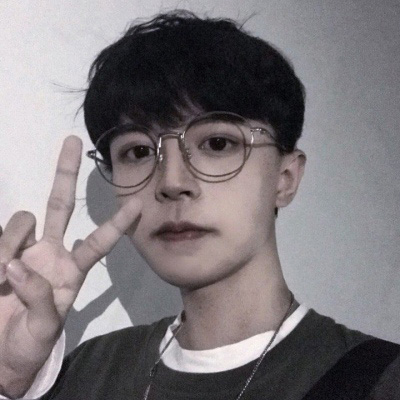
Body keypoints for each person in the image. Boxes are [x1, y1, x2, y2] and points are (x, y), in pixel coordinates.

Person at [0, 10, 399, 400]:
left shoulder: (378, 380)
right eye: (138, 151)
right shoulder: (86, 371)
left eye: (217, 143)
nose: (172, 182)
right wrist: (10, 377)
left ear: (285, 178)